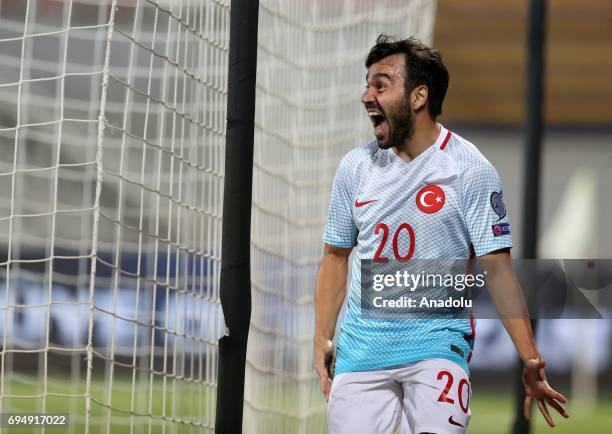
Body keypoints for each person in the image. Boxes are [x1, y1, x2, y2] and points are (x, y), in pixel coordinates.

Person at [313, 34, 569, 434]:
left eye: (380, 85)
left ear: (418, 97)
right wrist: (321, 338)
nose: (366, 96)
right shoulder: (355, 167)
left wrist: (530, 359)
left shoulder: (469, 169)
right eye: (368, 85)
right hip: (361, 353)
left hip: (436, 350)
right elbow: (335, 257)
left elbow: (498, 270)